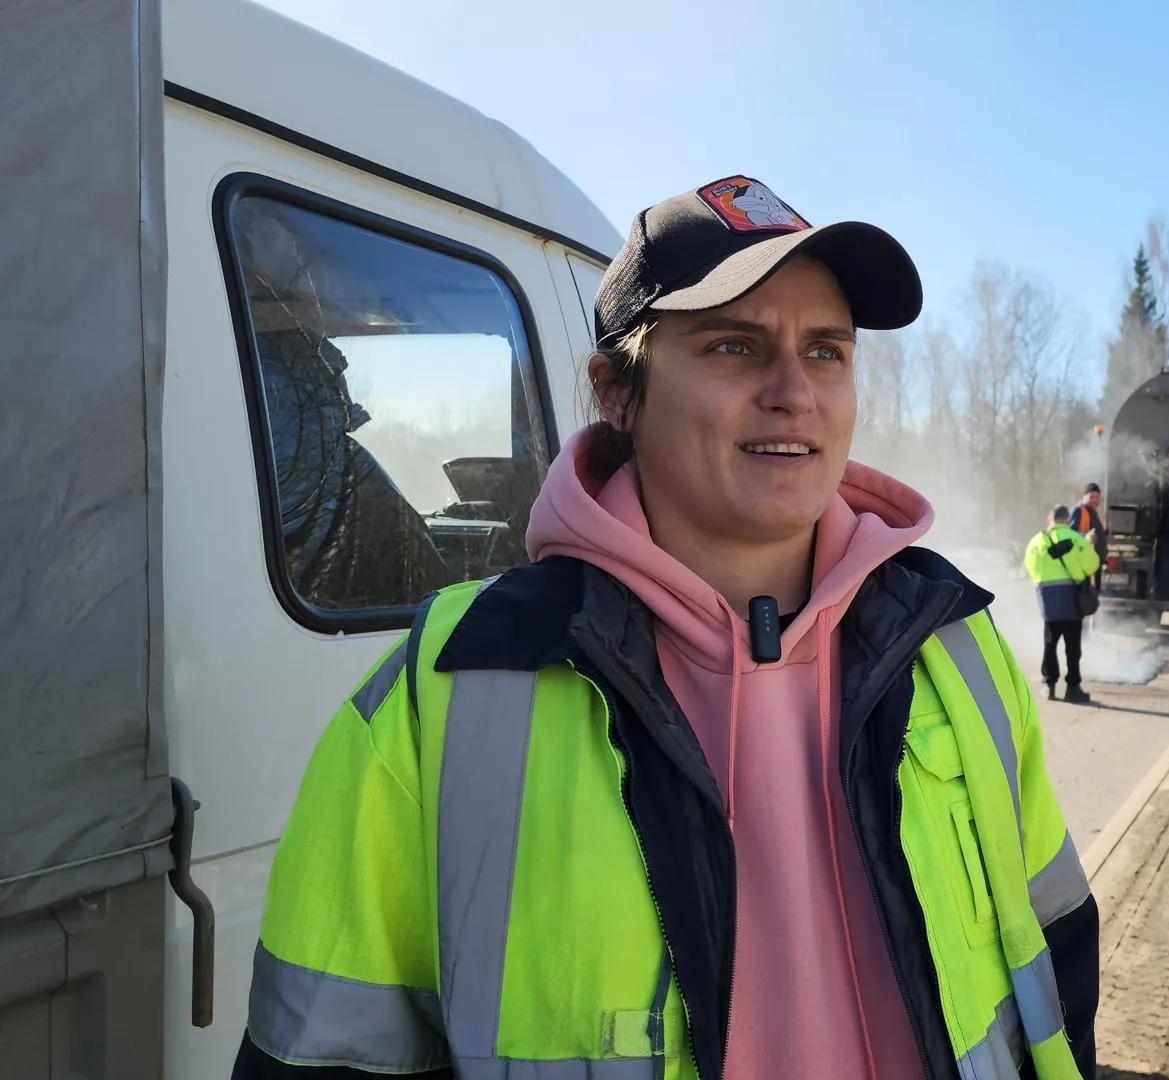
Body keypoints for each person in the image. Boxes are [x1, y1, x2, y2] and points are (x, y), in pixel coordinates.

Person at [233, 176, 1098, 1080]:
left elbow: (1058, 952)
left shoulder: (955, 648)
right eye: (735, 345)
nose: (794, 392)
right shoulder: (449, 693)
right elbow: (323, 1055)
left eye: (827, 351)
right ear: (618, 392)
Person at [1024, 504, 1100, 704]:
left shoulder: (1036, 542)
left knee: (1050, 644)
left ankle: (1049, 685)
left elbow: (1029, 569)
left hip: (1048, 603)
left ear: (1050, 519)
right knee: (1072, 647)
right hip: (1072, 602)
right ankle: (1073, 689)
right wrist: (1089, 545)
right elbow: (1092, 565)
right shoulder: (1077, 539)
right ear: (1067, 519)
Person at [1066, 483, 1106, 590]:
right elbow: (1069, 534)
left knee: (1092, 598)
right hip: (1082, 566)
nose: (1095, 500)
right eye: (1091, 497)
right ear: (1084, 496)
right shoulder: (1078, 511)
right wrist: (1085, 536)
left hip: (1093, 564)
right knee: (1084, 599)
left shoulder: (1093, 513)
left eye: (1097, 497)